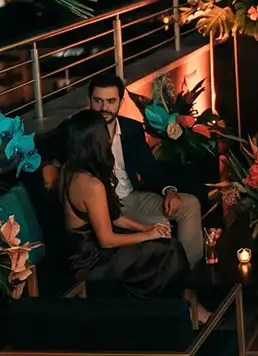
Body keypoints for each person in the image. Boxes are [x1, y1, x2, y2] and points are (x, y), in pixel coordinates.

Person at [57, 109, 191, 299]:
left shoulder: (70, 169)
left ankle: (178, 304)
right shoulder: (90, 185)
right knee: (169, 250)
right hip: (90, 260)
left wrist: (145, 228)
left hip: (89, 249)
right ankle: (181, 306)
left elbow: (113, 217)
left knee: (164, 244)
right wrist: (148, 235)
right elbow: (106, 240)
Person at [79, 72, 204, 267]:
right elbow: (44, 148)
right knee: (161, 225)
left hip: (131, 198)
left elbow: (149, 167)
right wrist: (47, 165)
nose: (104, 108)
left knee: (189, 205)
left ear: (120, 102)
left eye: (111, 101)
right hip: (103, 207)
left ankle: (190, 273)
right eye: (98, 101)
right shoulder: (79, 131)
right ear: (90, 101)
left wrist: (169, 191)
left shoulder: (131, 129)